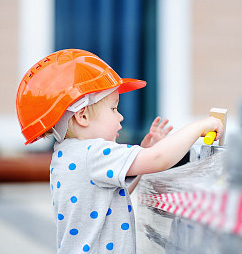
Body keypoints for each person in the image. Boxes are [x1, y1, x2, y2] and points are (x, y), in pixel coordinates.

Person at [16, 49, 223, 254]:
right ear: (83, 116)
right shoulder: (93, 153)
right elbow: (160, 159)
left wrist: (143, 154)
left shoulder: (66, 155)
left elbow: (110, 197)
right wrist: (200, 127)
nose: (121, 117)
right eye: (114, 109)